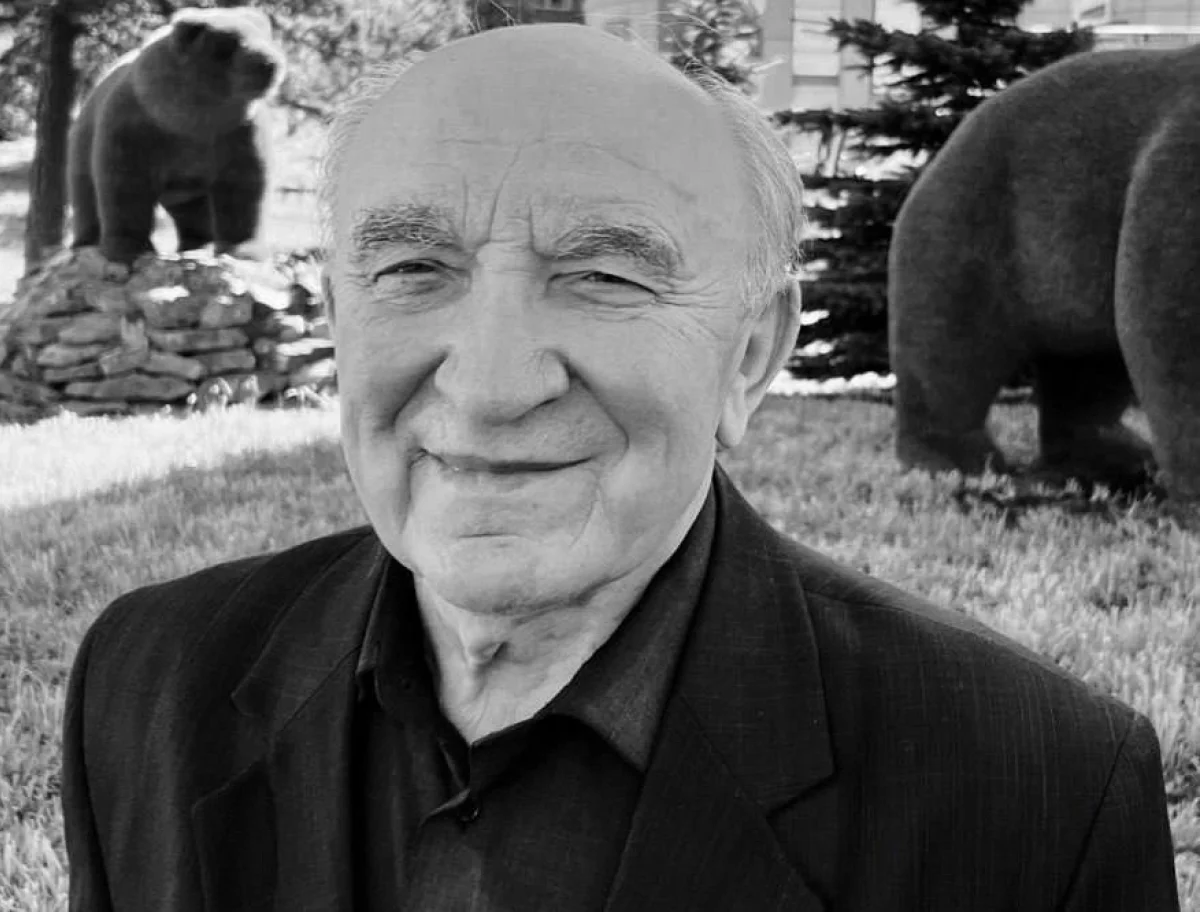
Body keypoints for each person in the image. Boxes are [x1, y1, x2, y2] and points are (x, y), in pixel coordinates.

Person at [61, 23, 1180, 912]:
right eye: (411, 268)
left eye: (605, 276)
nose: (492, 385)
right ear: (338, 317)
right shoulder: (147, 680)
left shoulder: (1038, 793)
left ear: (752, 354)